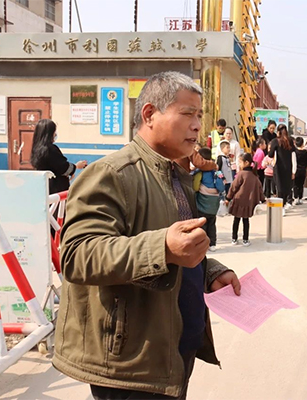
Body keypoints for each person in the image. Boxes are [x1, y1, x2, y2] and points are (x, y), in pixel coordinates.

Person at [53, 71, 241, 400]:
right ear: (150, 114)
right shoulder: (111, 174)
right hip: (131, 364)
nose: (197, 125)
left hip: (172, 352)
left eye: (199, 115)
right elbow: (77, 255)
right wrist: (163, 247)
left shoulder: (175, 173)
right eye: (187, 114)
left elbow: (172, 247)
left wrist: (208, 271)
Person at [30, 118, 88, 194]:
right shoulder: (51, 149)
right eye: (54, 132)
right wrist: (76, 166)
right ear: (50, 133)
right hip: (55, 189)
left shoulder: (36, 149)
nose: (55, 134)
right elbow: (63, 167)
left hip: (43, 186)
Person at [225, 153, 265, 246]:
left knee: (236, 220)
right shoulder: (254, 175)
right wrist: (263, 200)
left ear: (246, 162)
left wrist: (228, 198)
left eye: (240, 162)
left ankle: (234, 239)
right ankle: (245, 239)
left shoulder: (241, 174)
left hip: (239, 201)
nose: (239, 164)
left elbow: (233, 187)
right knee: (246, 221)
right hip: (248, 202)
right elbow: (260, 189)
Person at [192, 147, 225, 252]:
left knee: (203, 224)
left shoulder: (200, 172)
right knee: (212, 223)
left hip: (203, 202)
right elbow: (222, 183)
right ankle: (212, 244)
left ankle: (203, 244)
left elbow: (195, 187)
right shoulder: (217, 171)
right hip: (214, 204)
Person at [268, 124, 297, 211]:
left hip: (278, 167)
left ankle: (281, 207)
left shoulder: (275, 141)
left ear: (278, 132)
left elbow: (270, 154)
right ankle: (284, 204)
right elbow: (294, 151)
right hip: (288, 166)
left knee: (279, 187)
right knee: (286, 187)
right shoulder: (290, 141)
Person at [293, 136, 307, 205]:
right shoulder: (305, 152)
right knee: (301, 185)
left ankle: (295, 198)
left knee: (295, 185)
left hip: (296, 170)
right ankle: (300, 198)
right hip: (303, 170)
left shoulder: (295, 152)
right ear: (303, 143)